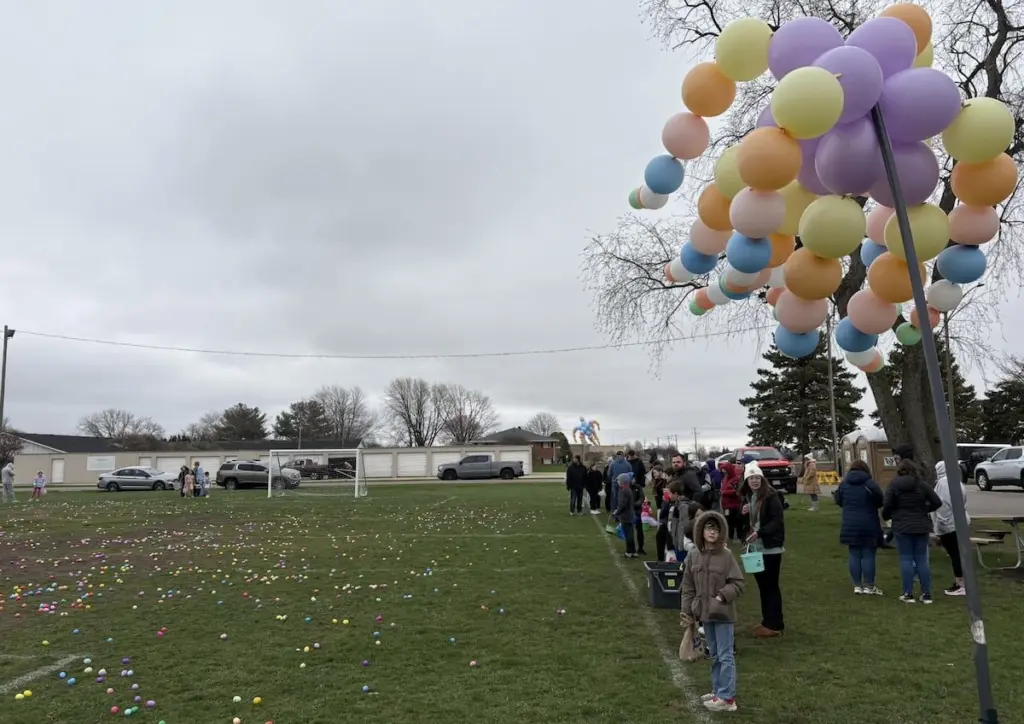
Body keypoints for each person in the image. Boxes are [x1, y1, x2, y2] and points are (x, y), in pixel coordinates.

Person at [680, 511, 745, 713]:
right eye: (709, 528)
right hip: (704, 614)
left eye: (716, 529)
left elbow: (739, 583)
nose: (712, 532)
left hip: (723, 614)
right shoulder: (693, 555)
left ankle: (727, 698)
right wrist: (687, 611)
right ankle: (718, 690)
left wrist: (722, 596)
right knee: (715, 654)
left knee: (725, 655)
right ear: (701, 531)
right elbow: (688, 585)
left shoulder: (726, 556)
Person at [883, 458, 942, 604]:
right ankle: (926, 594)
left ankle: (907, 593)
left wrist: (889, 516)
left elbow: (887, 505)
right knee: (922, 560)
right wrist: (924, 509)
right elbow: (937, 501)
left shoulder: (894, 485)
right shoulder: (921, 485)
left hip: (902, 526)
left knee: (906, 559)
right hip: (921, 525)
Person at [741, 462, 786, 637]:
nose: (754, 481)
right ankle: (767, 621)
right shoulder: (751, 497)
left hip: (770, 549)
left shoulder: (771, 497)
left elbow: (776, 522)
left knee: (770, 586)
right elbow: (753, 522)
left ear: (762, 479)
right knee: (763, 586)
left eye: (757, 478)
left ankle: (775, 624)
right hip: (756, 548)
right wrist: (743, 511)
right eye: (751, 478)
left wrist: (760, 533)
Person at [835, 460, 885, 595]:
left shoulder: (844, 484)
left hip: (850, 523)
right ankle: (869, 585)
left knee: (854, 554)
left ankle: (857, 585)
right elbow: (880, 501)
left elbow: (838, 500)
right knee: (868, 554)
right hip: (869, 522)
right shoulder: (870, 484)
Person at [932, 460, 969, 597]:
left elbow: (944, 505)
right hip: (959, 522)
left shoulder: (944, 483)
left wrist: (941, 525)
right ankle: (962, 582)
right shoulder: (955, 481)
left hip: (950, 524)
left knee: (955, 554)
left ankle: (961, 584)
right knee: (958, 553)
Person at [719, 461, 745, 541]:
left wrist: (724, 492)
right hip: (726, 505)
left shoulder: (736, 480)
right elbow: (723, 488)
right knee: (728, 522)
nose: (724, 474)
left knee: (737, 522)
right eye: (723, 472)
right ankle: (730, 537)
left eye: (726, 472)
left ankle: (739, 537)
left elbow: (736, 491)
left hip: (734, 505)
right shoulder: (725, 478)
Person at [614, 474, 636, 558]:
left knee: (627, 535)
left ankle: (629, 552)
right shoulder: (628, 489)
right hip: (630, 515)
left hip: (625, 516)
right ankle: (633, 551)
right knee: (630, 534)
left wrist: (617, 512)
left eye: (619, 480)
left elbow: (622, 504)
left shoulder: (623, 490)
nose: (618, 482)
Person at [630, 473, 647, 557]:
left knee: (639, 531)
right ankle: (631, 549)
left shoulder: (638, 487)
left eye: (634, 479)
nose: (634, 480)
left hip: (637, 512)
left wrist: (635, 504)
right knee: (630, 531)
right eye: (632, 479)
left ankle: (640, 548)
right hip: (629, 513)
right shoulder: (626, 488)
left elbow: (642, 498)